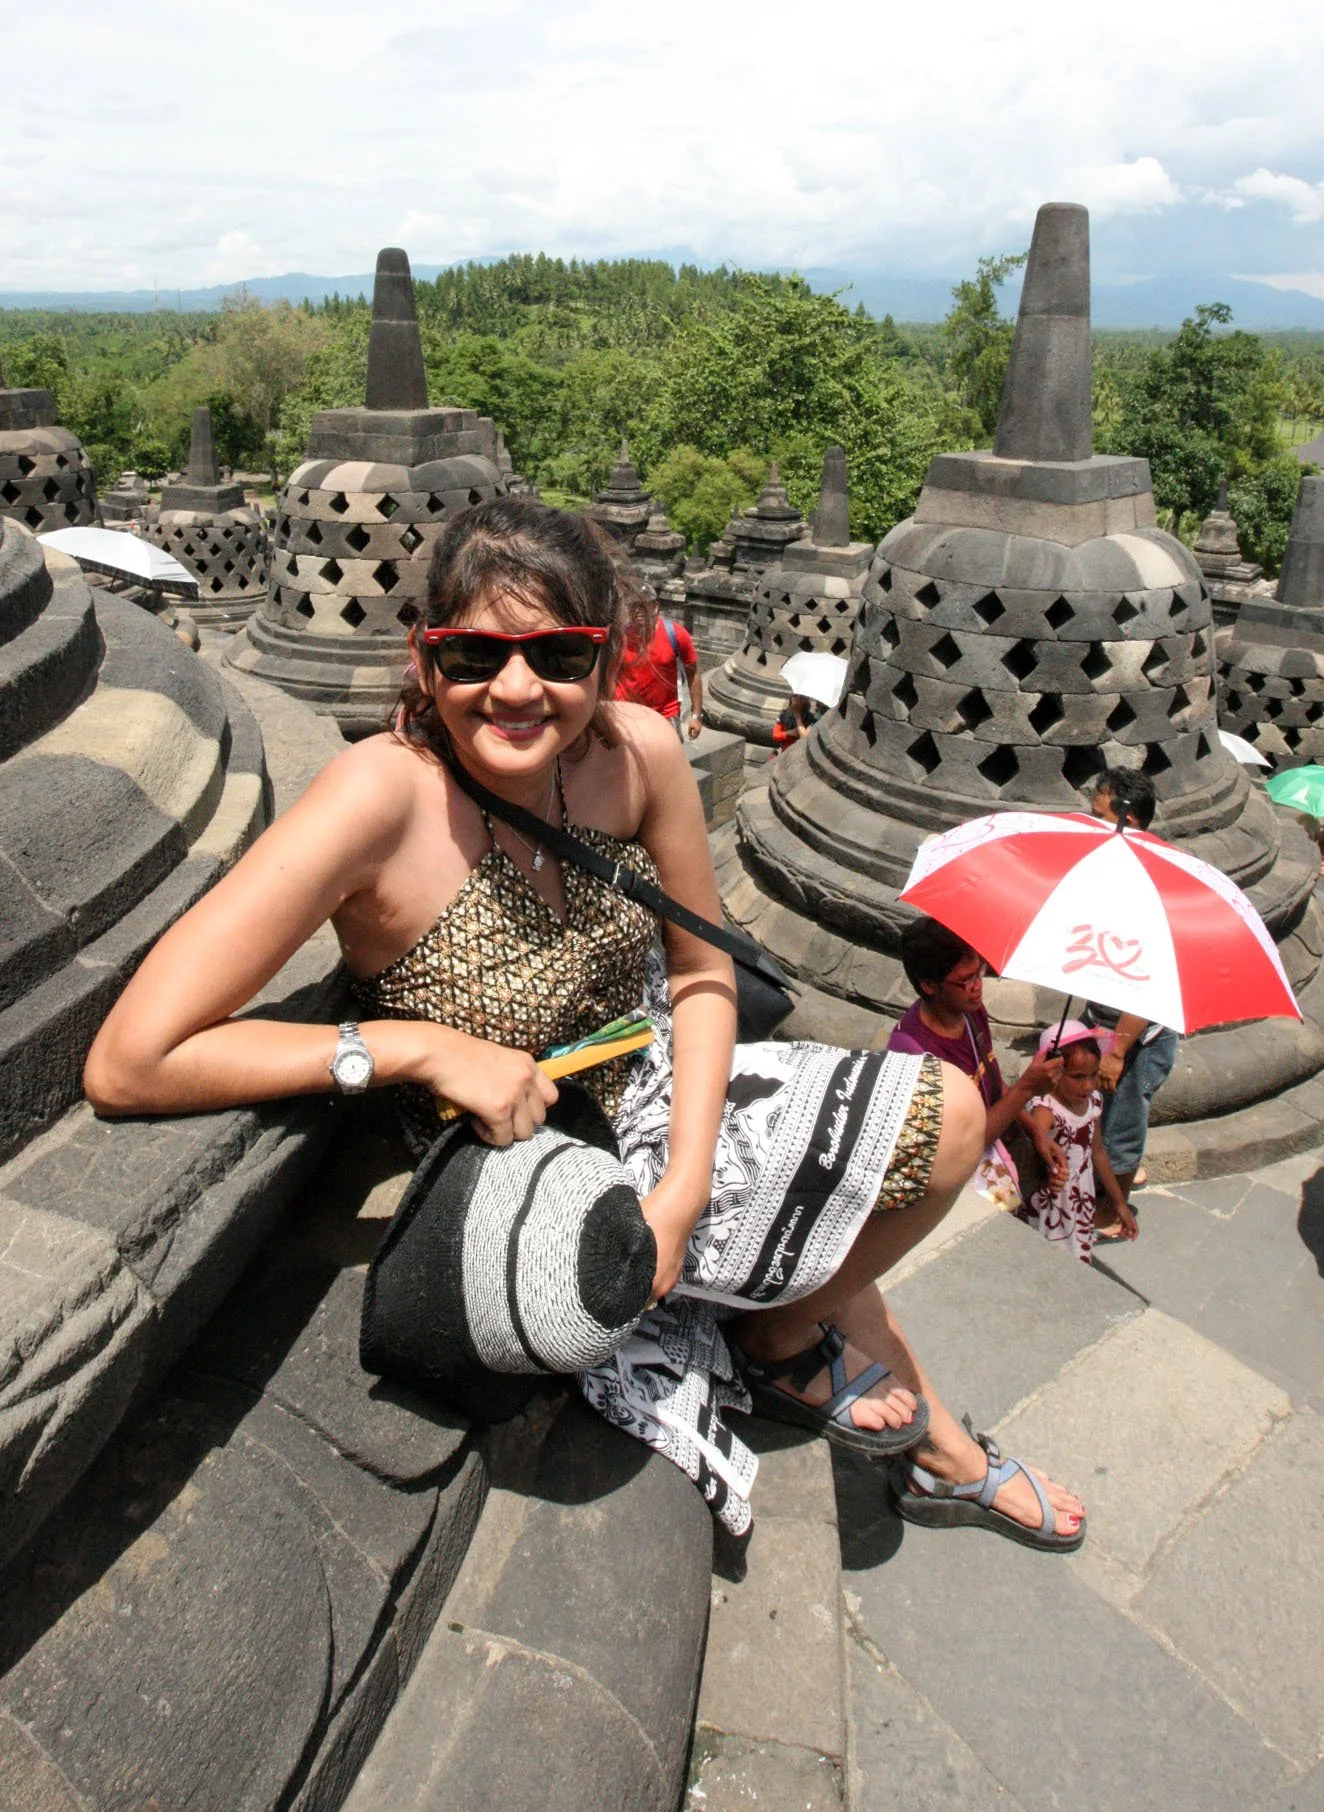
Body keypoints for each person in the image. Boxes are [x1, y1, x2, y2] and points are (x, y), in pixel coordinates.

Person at [84, 497, 1083, 1549]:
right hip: (523, 1160)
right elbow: (133, 1057)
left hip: (654, 1086)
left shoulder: (638, 753)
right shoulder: (381, 797)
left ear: (605, 661)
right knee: (833, 1279)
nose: (515, 689)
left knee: (951, 1118)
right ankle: (929, 1440)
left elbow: (700, 971)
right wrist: (414, 1047)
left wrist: (686, 1183)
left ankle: (790, 1327)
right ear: (425, 663)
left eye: (556, 654)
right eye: (474, 654)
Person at [888, 918, 1070, 1197]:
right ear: (929, 985)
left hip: (1000, 1154)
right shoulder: (915, 1054)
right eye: (966, 980)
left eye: (980, 972)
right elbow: (963, 1147)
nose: (977, 986)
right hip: (964, 1183)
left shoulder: (970, 1011)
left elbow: (992, 1081)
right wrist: (1028, 1088)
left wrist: (1036, 1133)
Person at [1083, 767, 1179, 1227]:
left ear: (1128, 819)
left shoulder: (1148, 885)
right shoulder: (1112, 868)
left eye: (1098, 814)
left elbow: (1150, 980)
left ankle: (1114, 1212)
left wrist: (1118, 1051)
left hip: (1136, 1035)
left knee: (1121, 1123)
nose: (1091, 819)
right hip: (1104, 1020)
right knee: (1104, 1114)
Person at [1018, 1023, 1136, 1263]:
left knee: (1074, 1255)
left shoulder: (1093, 1103)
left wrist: (1119, 1204)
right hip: (1051, 1200)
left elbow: (1098, 1152)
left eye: (1093, 1075)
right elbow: (1030, 1154)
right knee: (1047, 1258)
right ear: (1054, 1071)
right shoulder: (1046, 1109)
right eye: (1078, 1077)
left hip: (1079, 1196)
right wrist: (1049, 1174)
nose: (1088, 1085)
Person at [614, 610, 703, 740]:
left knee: (667, 756)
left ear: (655, 607)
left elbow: (693, 674)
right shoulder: (620, 636)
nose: (638, 610)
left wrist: (696, 716)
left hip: (665, 714)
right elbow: (610, 674)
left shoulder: (675, 633)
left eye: (643, 605)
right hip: (627, 714)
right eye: (634, 605)